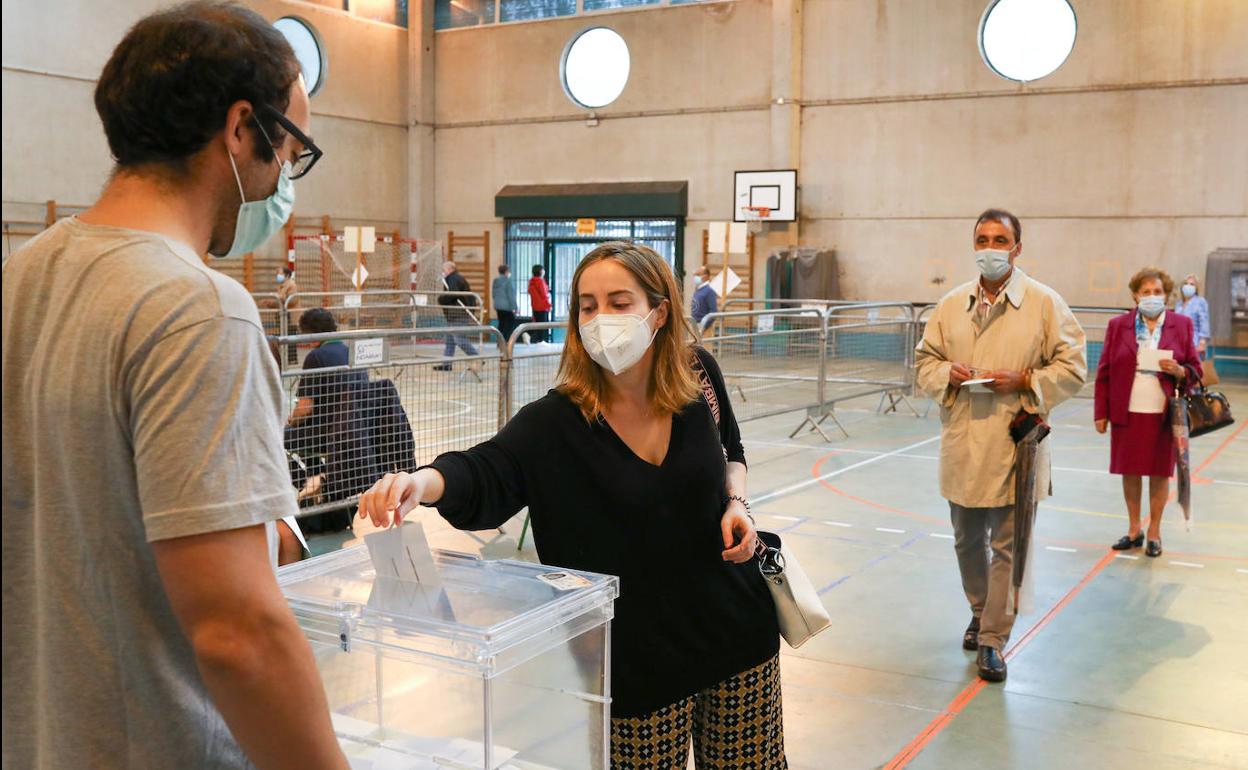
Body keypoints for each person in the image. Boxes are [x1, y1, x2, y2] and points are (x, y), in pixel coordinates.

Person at [1, 4, 346, 769]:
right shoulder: (198, 309)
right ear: (238, 131)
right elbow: (239, 633)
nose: (285, 176)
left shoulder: (18, 279)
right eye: (289, 148)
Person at [357, 242, 787, 768]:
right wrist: (419, 484)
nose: (601, 317)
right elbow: (486, 469)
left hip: (736, 633)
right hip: (635, 664)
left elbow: (731, 452)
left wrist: (736, 504)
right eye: (587, 305)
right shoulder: (556, 422)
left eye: (619, 302)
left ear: (660, 311)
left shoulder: (697, 376)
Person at [914, 208, 1086, 684]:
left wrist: (1027, 378)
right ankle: (978, 610)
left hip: (1017, 445)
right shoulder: (951, 305)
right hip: (964, 440)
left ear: (1017, 247)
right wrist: (946, 373)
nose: (990, 247)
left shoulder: (1046, 304)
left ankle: (992, 638)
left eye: (1000, 239)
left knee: (1009, 547)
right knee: (967, 540)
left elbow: (1073, 368)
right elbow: (924, 360)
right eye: (983, 238)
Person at [1095, 268, 1201, 558]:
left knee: (1158, 472)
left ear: (1166, 295)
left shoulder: (1182, 324)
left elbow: (1195, 369)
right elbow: (1104, 371)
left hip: (1164, 412)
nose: (1152, 297)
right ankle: (1133, 529)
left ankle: (1154, 531)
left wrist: (1180, 370)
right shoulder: (1118, 325)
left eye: (1157, 292)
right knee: (1129, 471)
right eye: (1146, 292)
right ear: (1135, 295)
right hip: (1126, 409)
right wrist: (1100, 412)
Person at [435, 260, 480, 370]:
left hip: (458, 313)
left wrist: (441, 299)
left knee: (459, 339)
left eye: (444, 270)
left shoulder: (453, 278)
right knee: (450, 340)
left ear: (450, 269)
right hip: (454, 313)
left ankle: (477, 358)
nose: (443, 272)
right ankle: (447, 364)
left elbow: (452, 294)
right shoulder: (454, 278)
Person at [1174, 273, 1211, 360]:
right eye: (1186, 284)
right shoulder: (1179, 304)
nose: (1188, 286)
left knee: (1193, 368)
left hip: (1194, 341)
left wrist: (1202, 342)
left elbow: (1204, 322)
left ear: (1196, 287)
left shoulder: (1200, 302)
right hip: (1178, 341)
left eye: (1192, 284)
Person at [276, 264, 300, 363]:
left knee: (290, 336)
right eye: (277, 273)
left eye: (280, 273)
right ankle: (286, 358)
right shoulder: (281, 286)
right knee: (284, 336)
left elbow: (292, 301)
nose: (278, 275)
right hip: (282, 315)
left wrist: (280, 299)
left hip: (290, 315)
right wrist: (270, 303)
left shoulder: (291, 285)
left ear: (287, 275)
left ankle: (292, 359)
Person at [492, 263, 518, 343]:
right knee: (511, 321)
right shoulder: (508, 281)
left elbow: (493, 294)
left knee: (502, 323)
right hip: (506, 306)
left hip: (498, 305)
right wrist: (515, 307)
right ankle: (505, 340)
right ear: (506, 271)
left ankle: (499, 340)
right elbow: (511, 295)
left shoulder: (495, 281)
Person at [528, 263, 553, 343]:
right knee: (542, 324)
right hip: (542, 306)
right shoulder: (540, 281)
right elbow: (544, 295)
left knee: (537, 323)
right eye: (543, 269)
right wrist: (549, 305)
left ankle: (530, 336)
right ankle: (540, 340)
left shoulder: (532, 281)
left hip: (535, 306)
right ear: (541, 271)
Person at [690, 264, 718, 328]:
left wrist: (704, 326)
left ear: (706, 276)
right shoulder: (698, 289)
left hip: (703, 327)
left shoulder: (709, 291)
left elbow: (713, 312)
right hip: (695, 325)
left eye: (698, 275)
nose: (695, 277)